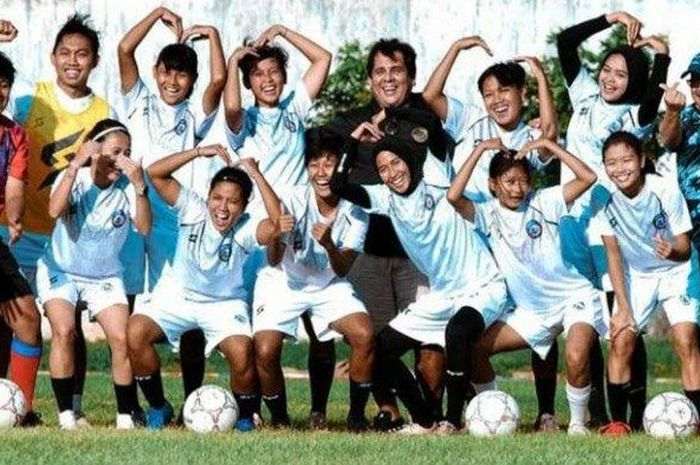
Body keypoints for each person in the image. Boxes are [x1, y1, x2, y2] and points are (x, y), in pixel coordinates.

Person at [331, 114, 507, 434]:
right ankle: (426, 419)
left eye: (396, 163)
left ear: (410, 160)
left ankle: (452, 421)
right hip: (442, 293)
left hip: (482, 286)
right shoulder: (384, 198)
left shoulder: (436, 177)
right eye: (383, 168)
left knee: (457, 332)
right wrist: (354, 141)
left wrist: (400, 116)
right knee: (379, 352)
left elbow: (431, 122)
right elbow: (339, 184)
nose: (391, 173)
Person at [423, 37, 562, 430]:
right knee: (462, 334)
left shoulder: (529, 138)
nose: (496, 99)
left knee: (542, 327)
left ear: (522, 94)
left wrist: (540, 75)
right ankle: (487, 405)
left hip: (517, 251)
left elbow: (550, 131)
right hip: (470, 252)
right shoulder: (469, 119)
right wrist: (456, 48)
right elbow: (431, 95)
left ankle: (547, 412)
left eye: (504, 90)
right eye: (488, 93)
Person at [326, 38, 451, 431]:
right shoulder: (349, 122)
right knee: (375, 341)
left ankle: (430, 415)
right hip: (370, 253)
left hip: (421, 256)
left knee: (430, 340)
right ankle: (389, 412)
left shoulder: (426, 119)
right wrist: (353, 143)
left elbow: (444, 166)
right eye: (380, 71)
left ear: (411, 77)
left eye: (396, 70)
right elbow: (328, 176)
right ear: (369, 80)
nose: (388, 78)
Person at [556, 11, 670, 428]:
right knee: (587, 324)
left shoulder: (634, 116)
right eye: (607, 69)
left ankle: (632, 417)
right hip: (570, 226)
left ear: (633, 81)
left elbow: (657, 87)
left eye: (621, 74)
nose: (609, 78)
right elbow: (566, 43)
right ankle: (599, 416)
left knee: (623, 322)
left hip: (609, 232)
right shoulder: (583, 95)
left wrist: (661, 55)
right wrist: (609, 18)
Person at [447, 137, 604, 435]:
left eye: (523, 181)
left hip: (574, 297)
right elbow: (454, 196)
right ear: (493, 184)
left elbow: (589, 177)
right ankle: (491, 412)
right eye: (509, 181)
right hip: (532, 311)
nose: (517, 188)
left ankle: (577, 424)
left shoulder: (545, 201)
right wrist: (480, 150)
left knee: (575, 354)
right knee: (477, 351)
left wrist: (548, 144)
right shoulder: (487, 213)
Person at [0, 16, 114, 423]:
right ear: (52, 57)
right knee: (8, 317)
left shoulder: (104, 111)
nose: (72, 61)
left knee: (70, 323)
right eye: (65, 53)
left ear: (94, 61)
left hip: (68, 239)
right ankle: (8, 403)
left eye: (81, 54)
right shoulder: (32, 97)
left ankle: (74, 407)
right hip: (18, 230)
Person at [127, 146, 285, 431]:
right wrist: (199, 152)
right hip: (178, 295)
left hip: (223, 304)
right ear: (209, 196)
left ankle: (246, 417)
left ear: (244, 206)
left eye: (233, 202)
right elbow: (155, 173)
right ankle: (159, 407)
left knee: (241, 352)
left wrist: (256, 173)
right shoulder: (194, 208)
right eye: (217, 198)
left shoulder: (246, 229)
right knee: (136, 332)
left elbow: (275, 225)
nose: (223, 208)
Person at [117, 6, 226, 415]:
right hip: (131, 218)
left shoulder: (197, 113)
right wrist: (157, 12)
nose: (172, 81)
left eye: (182, 75)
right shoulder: (139, 99)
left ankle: (193, 402)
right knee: (128, 311)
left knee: (187, 314)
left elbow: (219, 78)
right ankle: (146, 406)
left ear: (190, 81)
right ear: (157, 70)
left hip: (174, 223)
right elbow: (125, 49)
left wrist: (212, 34)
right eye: (166, 71)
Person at [224, 24, 333, 425]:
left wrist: (284, 33)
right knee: (259, 338)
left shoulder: (294, 109)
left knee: (319, 328)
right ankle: (259, 413)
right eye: (258, 74)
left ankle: (319, 410)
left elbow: (323, 59)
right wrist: (236, 59)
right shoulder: (244, 120)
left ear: (283, 77)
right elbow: (231, 109)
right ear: (248, 82)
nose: (267, 80)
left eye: (273, 72)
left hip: (302, 230)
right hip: (261, 235)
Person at [252, 127, 374, 431]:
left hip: (328, 283)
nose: (321, 173)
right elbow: (273, 259)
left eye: (329, 164)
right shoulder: (292, 197)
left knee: (364, 336)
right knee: (265, 350)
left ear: (341, 167)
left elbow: (344, 268)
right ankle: (280, 419)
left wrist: (330, 244)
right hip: (284, 280)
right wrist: (278, 234)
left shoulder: (357, 210)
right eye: (314, 164)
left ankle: (356, 417)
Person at [36, 119, 151, 429]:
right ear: (95, 150)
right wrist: (75, 166)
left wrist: (140, 187)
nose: (122, 160)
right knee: (64, 332)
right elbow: (54, 211)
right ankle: (66, 417)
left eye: (127, 152)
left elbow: (144, 227)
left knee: (120, 338)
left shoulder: (128, 189)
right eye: (115, 151)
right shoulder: (73, 177)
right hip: (61, 270)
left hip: (104, 276)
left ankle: (125, 418)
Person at [593, 131, 700, 435]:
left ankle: (698, 422)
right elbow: (613, 255)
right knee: (621, 339)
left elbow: (684, 245)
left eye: (627, 160)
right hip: (637, 275)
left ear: (641, 161)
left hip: (676, 270)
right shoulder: (603, 198)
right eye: (612, 163)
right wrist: (623, 309)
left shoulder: (664, 189)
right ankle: (618, 423)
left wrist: (671, 250)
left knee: (685, 339)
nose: (620, 168)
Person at [0, 50, 42, 426]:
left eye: (3, 85)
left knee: (27, 316)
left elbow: (14, 185)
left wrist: (14, 219)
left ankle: (21, 409)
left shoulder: (14, 134)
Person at [658, 53, 700, 249]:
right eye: (694, 82)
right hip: (695, 219)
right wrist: (672, 111)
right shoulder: (686, 116)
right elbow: (668, 141)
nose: (698, 88)